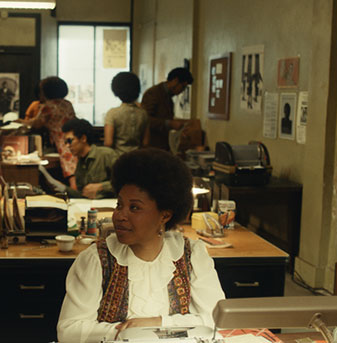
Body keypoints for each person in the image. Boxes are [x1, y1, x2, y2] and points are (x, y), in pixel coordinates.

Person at [57, 148, 225, 343]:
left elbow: (217, 320)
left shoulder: (192, 255)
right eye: (119, 205)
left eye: (134, 208)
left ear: (165, 215)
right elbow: (68, 331)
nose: (120, 215)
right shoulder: (97, 258)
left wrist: (156, 323)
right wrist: (129, 333)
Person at [19, 76, 78, 188]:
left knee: (70, 172)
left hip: (62, 141)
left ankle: (75, 195)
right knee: (74, 171)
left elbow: (36, 123)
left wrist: (20, 121)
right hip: (74, 138)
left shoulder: (48, 107)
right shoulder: (67, 103)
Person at [61, 118, 118, 199]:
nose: (67, 146)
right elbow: (82, 193)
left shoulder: (106, 155)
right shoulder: (80, 163)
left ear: (83, 138)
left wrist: (102, 187)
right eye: (65, 142)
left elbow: (127, 182)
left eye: (70, 141)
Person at [140, 68, 196, 151]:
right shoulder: (153, 93)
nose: (182, 91)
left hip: (162, 146)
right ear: (175, 81)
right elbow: (146, 120)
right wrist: (169, 124)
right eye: (183, 87)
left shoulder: (168, 96)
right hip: (152, 146)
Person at [104, 72, 150, 155]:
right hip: (137, 158)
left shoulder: (112, 113)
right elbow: (145, 143)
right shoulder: (143, 114)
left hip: (118, 159)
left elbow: (108, 143)